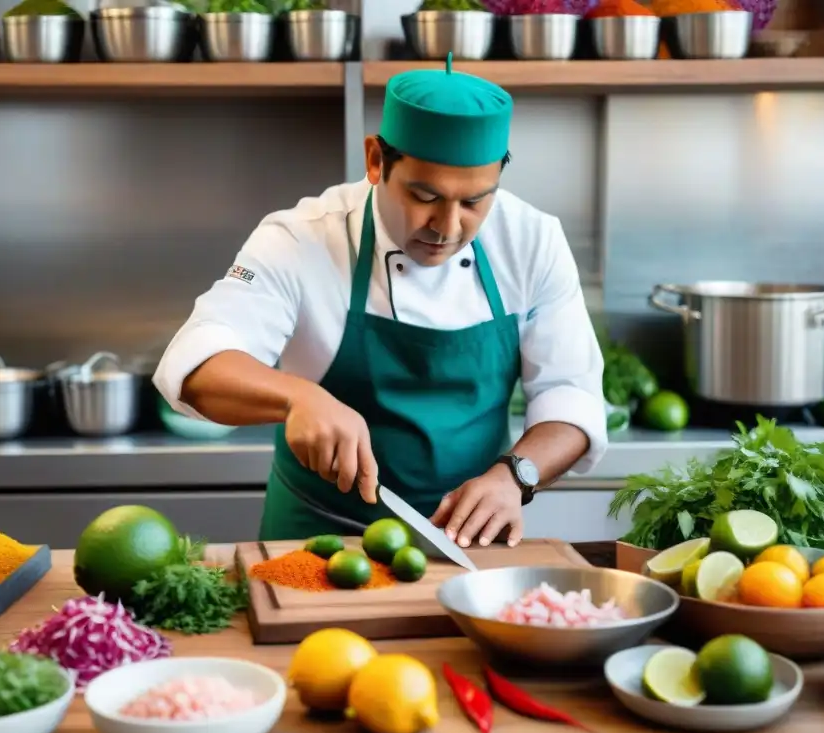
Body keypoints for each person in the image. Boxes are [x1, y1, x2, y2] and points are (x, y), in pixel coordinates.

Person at [154, 54, 607, 549]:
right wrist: (297, 397)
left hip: (467, 541)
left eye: (475, 201)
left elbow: (573, 393)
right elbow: (197, 361)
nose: (448, 227)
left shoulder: (533, 241)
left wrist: (514, 476)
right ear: (375, 160)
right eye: (425, 196)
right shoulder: (301, 238)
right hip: (318, 536)